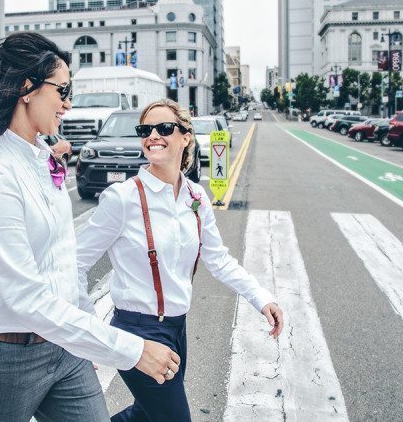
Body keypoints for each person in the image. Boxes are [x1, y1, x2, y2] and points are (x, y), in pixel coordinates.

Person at [0, 32, 181, 422]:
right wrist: (130, 349)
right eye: (63, 89)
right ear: (26, 88)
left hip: (62, 348)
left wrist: (84, 342)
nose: (68, 103)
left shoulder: (41, 158)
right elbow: (26, 298)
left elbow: (62, 265)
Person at [77, 99, 285, 422]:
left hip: (176, 329)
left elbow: (218, 260)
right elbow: (74, 263)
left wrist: (261, 298)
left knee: (146, 415)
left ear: (185, 137)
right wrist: (89, 332)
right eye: (145, 130)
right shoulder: (122, 199)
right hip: (136, 331)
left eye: (164, 128)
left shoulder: (196, 198)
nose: (153, 136)